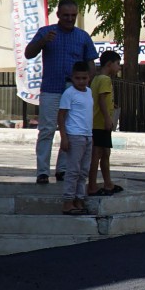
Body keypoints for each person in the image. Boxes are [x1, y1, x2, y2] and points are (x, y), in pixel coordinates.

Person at [24, 0, 97, 185]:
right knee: (47, 129)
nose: (70, 19)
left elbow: (90, 63)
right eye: (66, 15)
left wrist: (87, 85)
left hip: (73, 90)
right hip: (51, 88)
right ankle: (42, 171)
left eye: (73, 15)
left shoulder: (83, 36)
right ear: (58, 15)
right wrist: (42, 42)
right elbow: (28, 53)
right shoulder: (45, 33)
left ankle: (63, 170)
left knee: (71, 130)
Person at [58, 61, 96, 215]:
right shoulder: (69, 94)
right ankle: (68, 201)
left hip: (88, 135)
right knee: (73, 171)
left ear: (88, 78)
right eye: (78, 78)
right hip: (74, 136)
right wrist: (64, 137)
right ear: (72, 78)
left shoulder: (88, 92)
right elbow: (61, 116)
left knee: (84, 171)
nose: (81, 81)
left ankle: (79, 199)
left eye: (84, 78)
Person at [88, 50, 121, 196]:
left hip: (97, 123)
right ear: (109, 64)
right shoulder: (105, 80)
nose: (119, 67)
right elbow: (101, 100)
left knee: (105, 153)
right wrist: (108, 118)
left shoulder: (96, 79)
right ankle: (93, 185)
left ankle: (108, 183)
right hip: (100, 123)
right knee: (97, 154)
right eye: (117, 64)